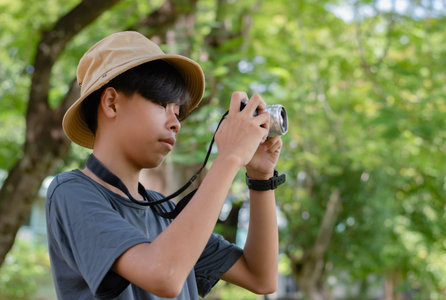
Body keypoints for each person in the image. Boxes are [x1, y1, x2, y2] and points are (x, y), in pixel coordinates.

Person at [46, 31, 284, 299]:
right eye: (162, 104)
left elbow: (261, 278)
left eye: (178, 110)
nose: (176, 123)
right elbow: (164, 275)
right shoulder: (71, 192)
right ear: (112, 102)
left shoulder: (165, 211)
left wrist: (261, 176)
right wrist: (229, 158)